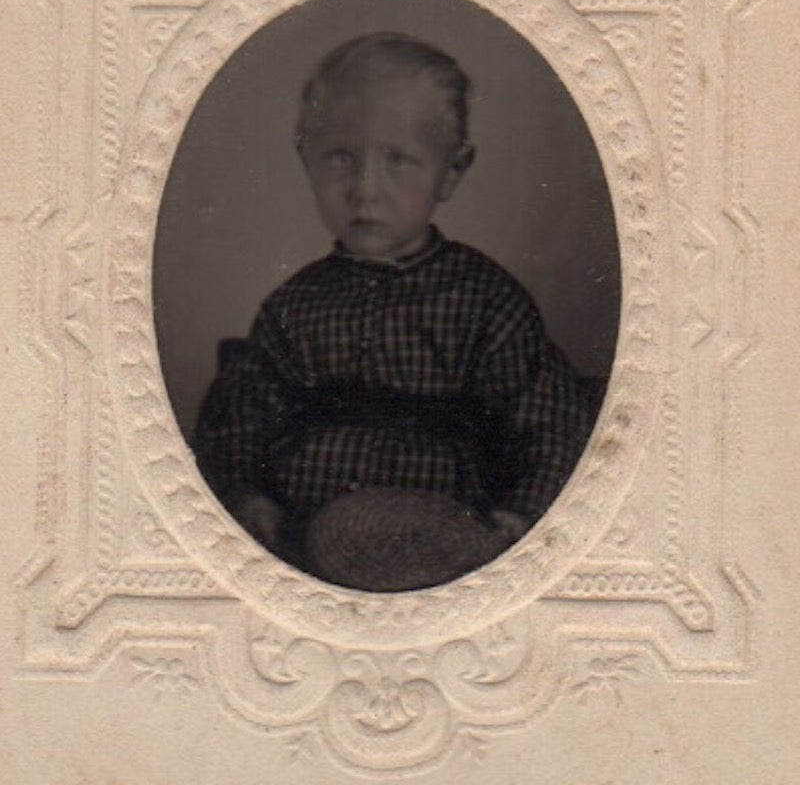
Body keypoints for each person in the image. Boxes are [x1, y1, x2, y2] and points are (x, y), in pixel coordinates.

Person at [192, 31, 596, 586]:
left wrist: (520, 516)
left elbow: (549, 423)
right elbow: (239, 417)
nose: (365, 189)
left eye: (399, 160)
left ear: (452, 171)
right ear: (305, 157)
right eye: (340, 158)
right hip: (306, 546)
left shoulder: (488, 303)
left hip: (448, 551)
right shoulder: (295, 306)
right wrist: (247, 494)